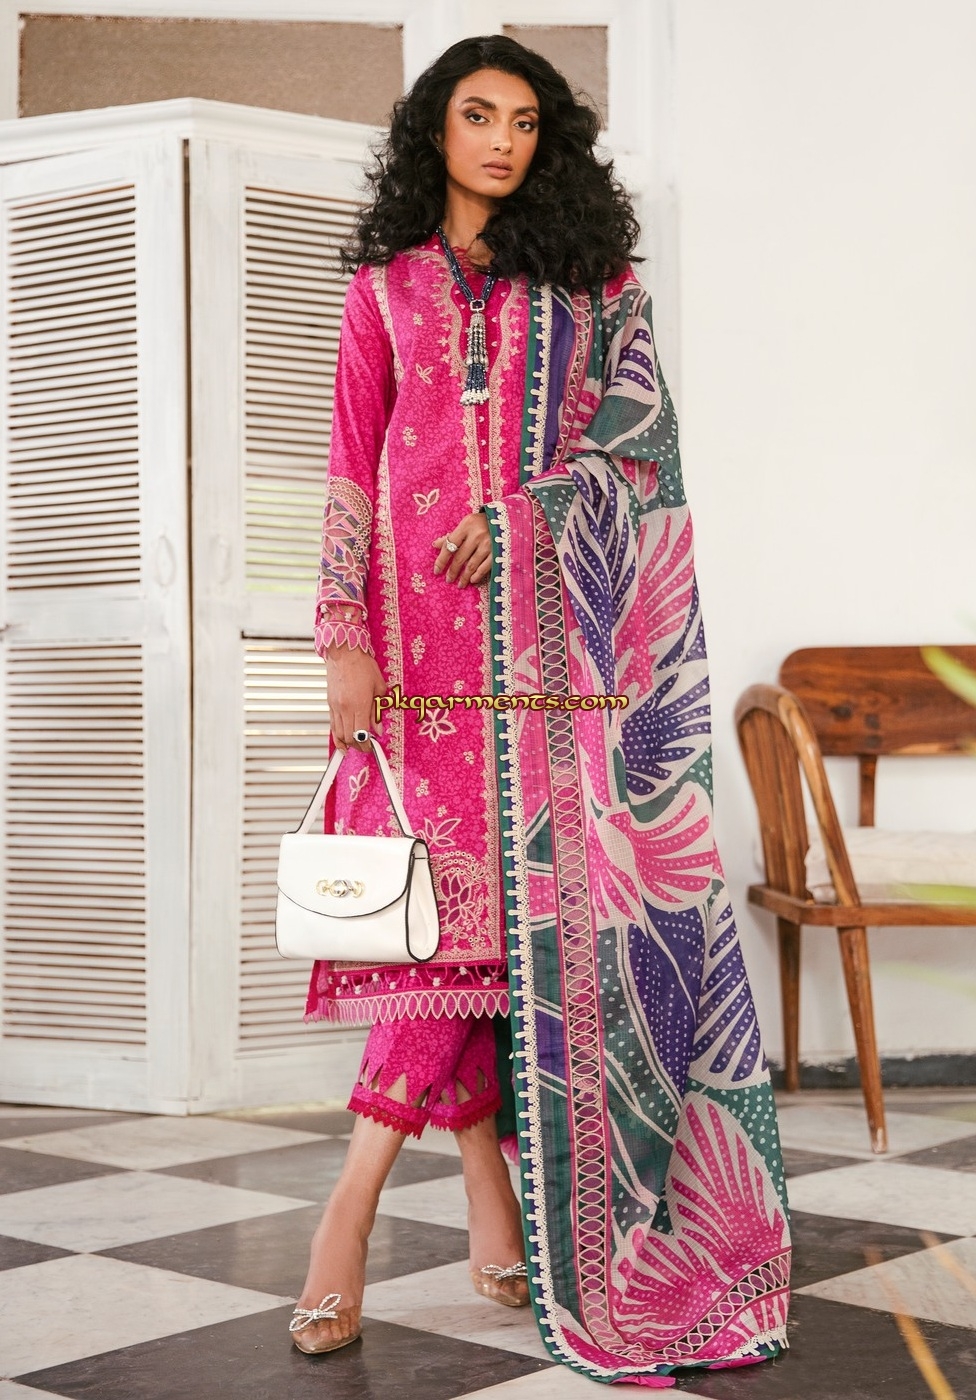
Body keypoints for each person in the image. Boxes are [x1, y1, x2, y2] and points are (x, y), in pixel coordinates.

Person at [291, 34, 791, 1386]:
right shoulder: (383, 289)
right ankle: (460, 1203)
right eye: (478, 116)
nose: (502, 141)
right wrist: (341, 637)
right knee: (449, 933)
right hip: (416, 663)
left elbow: (639, 445)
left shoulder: (594, 286)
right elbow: (347, 470)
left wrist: (523, 513)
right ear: (434, 132)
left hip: (556, 660)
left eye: (524, 121)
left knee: (513, 943)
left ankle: (362, 1215)